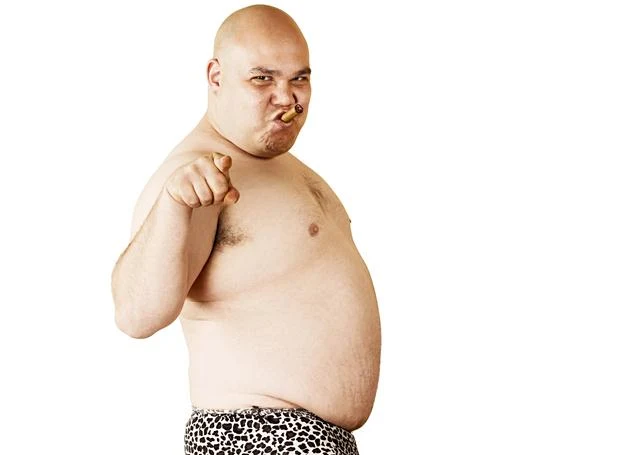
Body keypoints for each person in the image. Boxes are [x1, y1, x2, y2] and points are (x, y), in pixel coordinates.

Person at [111, 4, 381, 454]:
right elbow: (135, 315)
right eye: (262, 79)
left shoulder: (277, 163)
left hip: (309, 440)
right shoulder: (197, 175)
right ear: (216, 76)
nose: (287, 98)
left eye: (299, 79)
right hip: (254, 437)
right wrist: (174, 204)